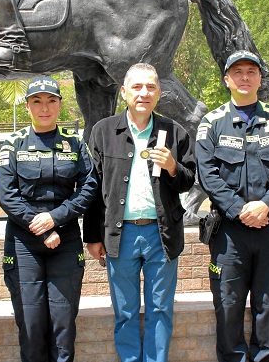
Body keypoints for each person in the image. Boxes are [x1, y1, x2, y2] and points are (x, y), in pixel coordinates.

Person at [83, 63, 196, 362]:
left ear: (159, 93)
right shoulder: (104, 131)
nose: (143, 93)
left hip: (162, 234)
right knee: (125, 310)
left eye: (150, 87)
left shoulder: (174, 131)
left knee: (160, 308)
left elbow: (188, 181)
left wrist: (173, 167)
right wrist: (93, 236)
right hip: (121, 235)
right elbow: (92, 188)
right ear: (124, 92)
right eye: (136, 87)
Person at [195, 51, 269, 362]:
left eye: (251, 71)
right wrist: (242, 210)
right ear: (226, 79)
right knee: (227, 306)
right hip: (229, 233)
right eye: (237, 72)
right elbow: (208, 174)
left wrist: (266, 205)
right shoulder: (211, 123)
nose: (244, 77)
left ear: (260, 78)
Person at [0, 75, 97, 362]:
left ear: (60, 105)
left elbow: (89, 186)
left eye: (51, 101)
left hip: (64, 240)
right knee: (31, 323)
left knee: (63, 324)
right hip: (23, 242)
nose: (44, 107)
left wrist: (55, 218)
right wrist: (40, 227)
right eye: (37, 101)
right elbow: (7, 195)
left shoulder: (75, 143)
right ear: (27, 106)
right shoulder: (13, 144)